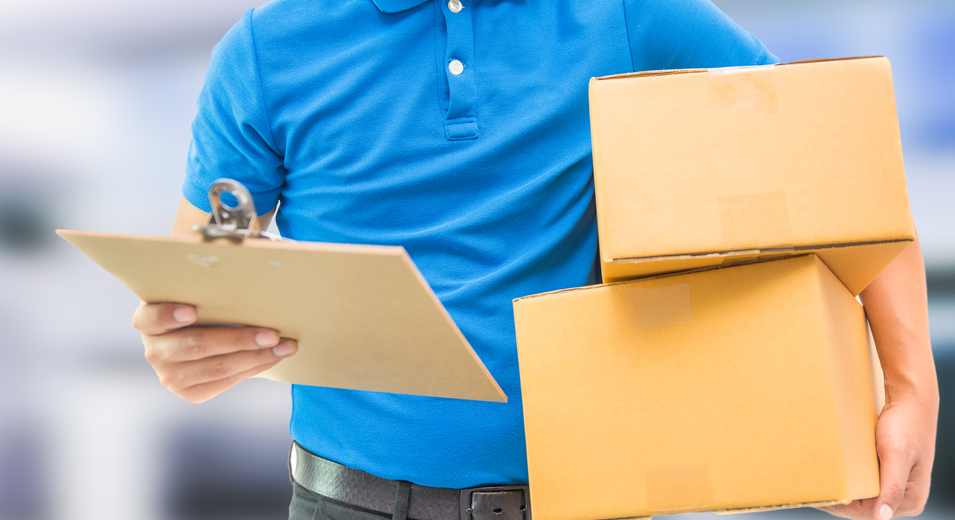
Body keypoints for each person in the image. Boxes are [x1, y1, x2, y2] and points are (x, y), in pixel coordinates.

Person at [128, 1, 938, 519]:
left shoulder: (627, 17)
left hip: (584, 501)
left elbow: (837, 167)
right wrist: (182, 333)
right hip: (346, 505)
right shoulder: (269, 50)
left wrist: (912, 387)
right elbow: (212, 255)